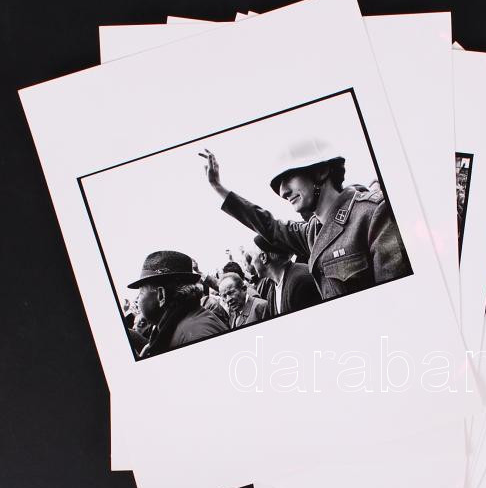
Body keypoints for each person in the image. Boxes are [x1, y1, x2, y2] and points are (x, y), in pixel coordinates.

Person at [199, 139, 413, 300]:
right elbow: (269, 226)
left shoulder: (373, 213)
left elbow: (397, 298)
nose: (283, 192)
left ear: (321, 171)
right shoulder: (312, 231)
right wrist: (218, 188)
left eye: (288, 177)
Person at [128, 250, 227, 358]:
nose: (139, 300)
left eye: (141, 292)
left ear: (161, 295)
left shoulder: (194, 335)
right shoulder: (184, 326)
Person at [251, 243, 321, 317]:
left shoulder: (300, 282)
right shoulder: (273, 287)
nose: (252, 262)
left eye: (252, 257)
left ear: (263, 257)